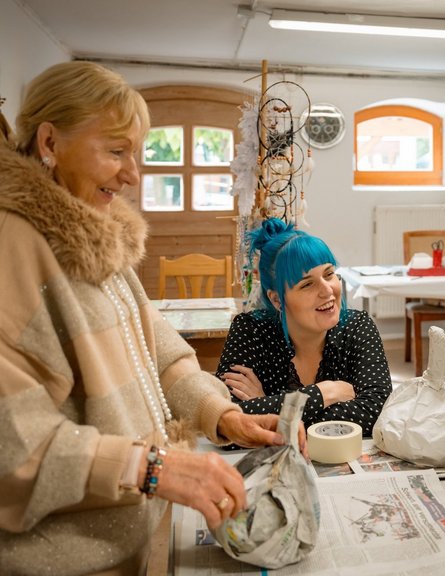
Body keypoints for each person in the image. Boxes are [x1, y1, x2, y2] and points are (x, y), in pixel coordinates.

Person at [0, 62, 299, 576]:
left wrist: (220, 413)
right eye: (115, 151)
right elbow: (12, 441)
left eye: (134, 153)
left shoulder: (94, 233)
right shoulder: (12, 246)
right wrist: (151, 467)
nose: (133, 173)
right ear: (49, 141)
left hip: (122, 546)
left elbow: (159, 351)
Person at [216, 218, 392, 437]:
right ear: (277, 300)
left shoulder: (358, 326)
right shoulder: (250, 330)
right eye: (307, 284)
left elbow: (377, 413)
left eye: (329, 274)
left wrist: (266, 408)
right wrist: (324, 393)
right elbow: (225, 423)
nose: (327, 290)